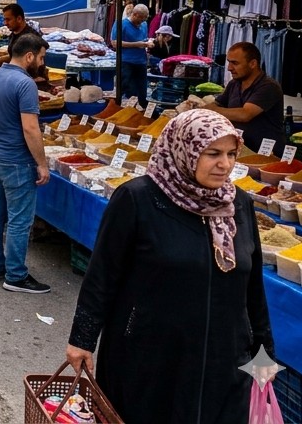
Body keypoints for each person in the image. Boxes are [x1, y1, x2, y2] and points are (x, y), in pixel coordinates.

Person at [64, 110, 271, 424]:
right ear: (183, 150)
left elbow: (252, 285)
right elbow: (102, 276)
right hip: (149, 358)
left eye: (231, 154)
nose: (225, 164)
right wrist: (82, 339)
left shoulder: (238, 203)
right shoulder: (138, 199)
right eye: (212, 153)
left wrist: (263, 350)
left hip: (224, 360)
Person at [0, 32, 52, 294]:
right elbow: (31, 128)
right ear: (29, 56)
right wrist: (42, 164)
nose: (42, 63)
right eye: (41, 58)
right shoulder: (25, 84)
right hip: (16, 161)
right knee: (20, 220)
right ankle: (16, 275)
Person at [203, 41, 286, 154]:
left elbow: (245, 114)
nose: (229, 68)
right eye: (229, 62)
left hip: (266, 154)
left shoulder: (269, 86)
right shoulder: (234, 83)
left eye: (235, 63)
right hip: (240, 149)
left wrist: (212, 110)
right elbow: (217, 104)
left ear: (253, 64)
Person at [111, 3, 151, 104]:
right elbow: (114, 43)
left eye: (145, 18)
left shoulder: (144, 25)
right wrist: (137, 44)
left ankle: (142, 110)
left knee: (142, 89)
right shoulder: (121, 24)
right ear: (135, 14)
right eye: (141, 18)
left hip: (141, 61)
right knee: (124, 87)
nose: (143, 21)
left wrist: (148, 43)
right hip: (126, 61)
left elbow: (144, 39)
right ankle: (118, 108)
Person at [2, 3, 49, 87]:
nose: (5, 23)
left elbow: (43, 51)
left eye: (8, 19)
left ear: (19, 18)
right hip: (18, 79)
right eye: (4, 20)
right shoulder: (13, 35)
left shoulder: (31, 37)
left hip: (33, 83)